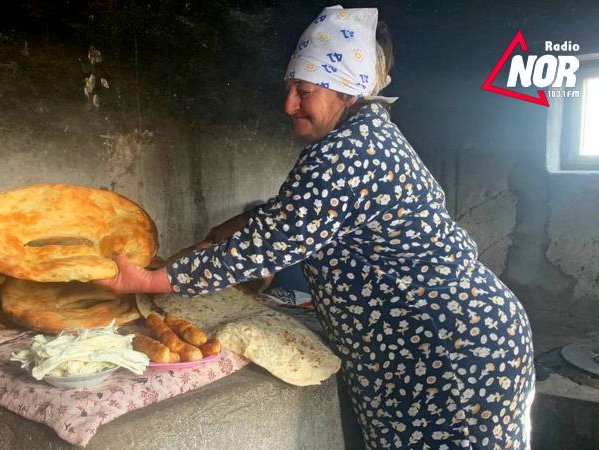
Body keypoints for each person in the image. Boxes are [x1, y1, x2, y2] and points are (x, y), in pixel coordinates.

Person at [97, 5, 535, 449]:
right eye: (289, 89)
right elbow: (297, 215)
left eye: (303, 91)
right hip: (436, 343)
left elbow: (269, 243)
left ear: (346, 93)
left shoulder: (348, 152)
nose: (289, 105)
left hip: (447, 350)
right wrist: (236, 226)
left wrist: (153, 279)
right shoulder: (362, 137)